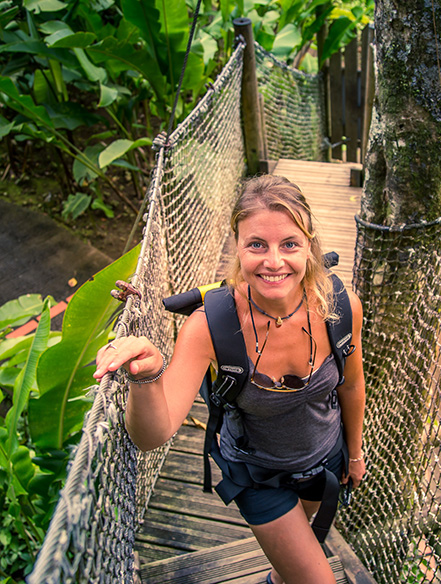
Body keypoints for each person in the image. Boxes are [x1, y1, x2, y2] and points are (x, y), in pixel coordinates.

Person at [94, 175, 366, 584]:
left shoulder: (340, 306)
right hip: (259, 476)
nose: (274, 261)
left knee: (291, 565)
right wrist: (148, 377)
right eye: (257, 244)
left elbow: (351, 385)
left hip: (324, 461)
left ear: (310, 243)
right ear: (236, 247)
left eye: (289, 244)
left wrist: (355, 454)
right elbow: (153, 435)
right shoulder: (211, 326)